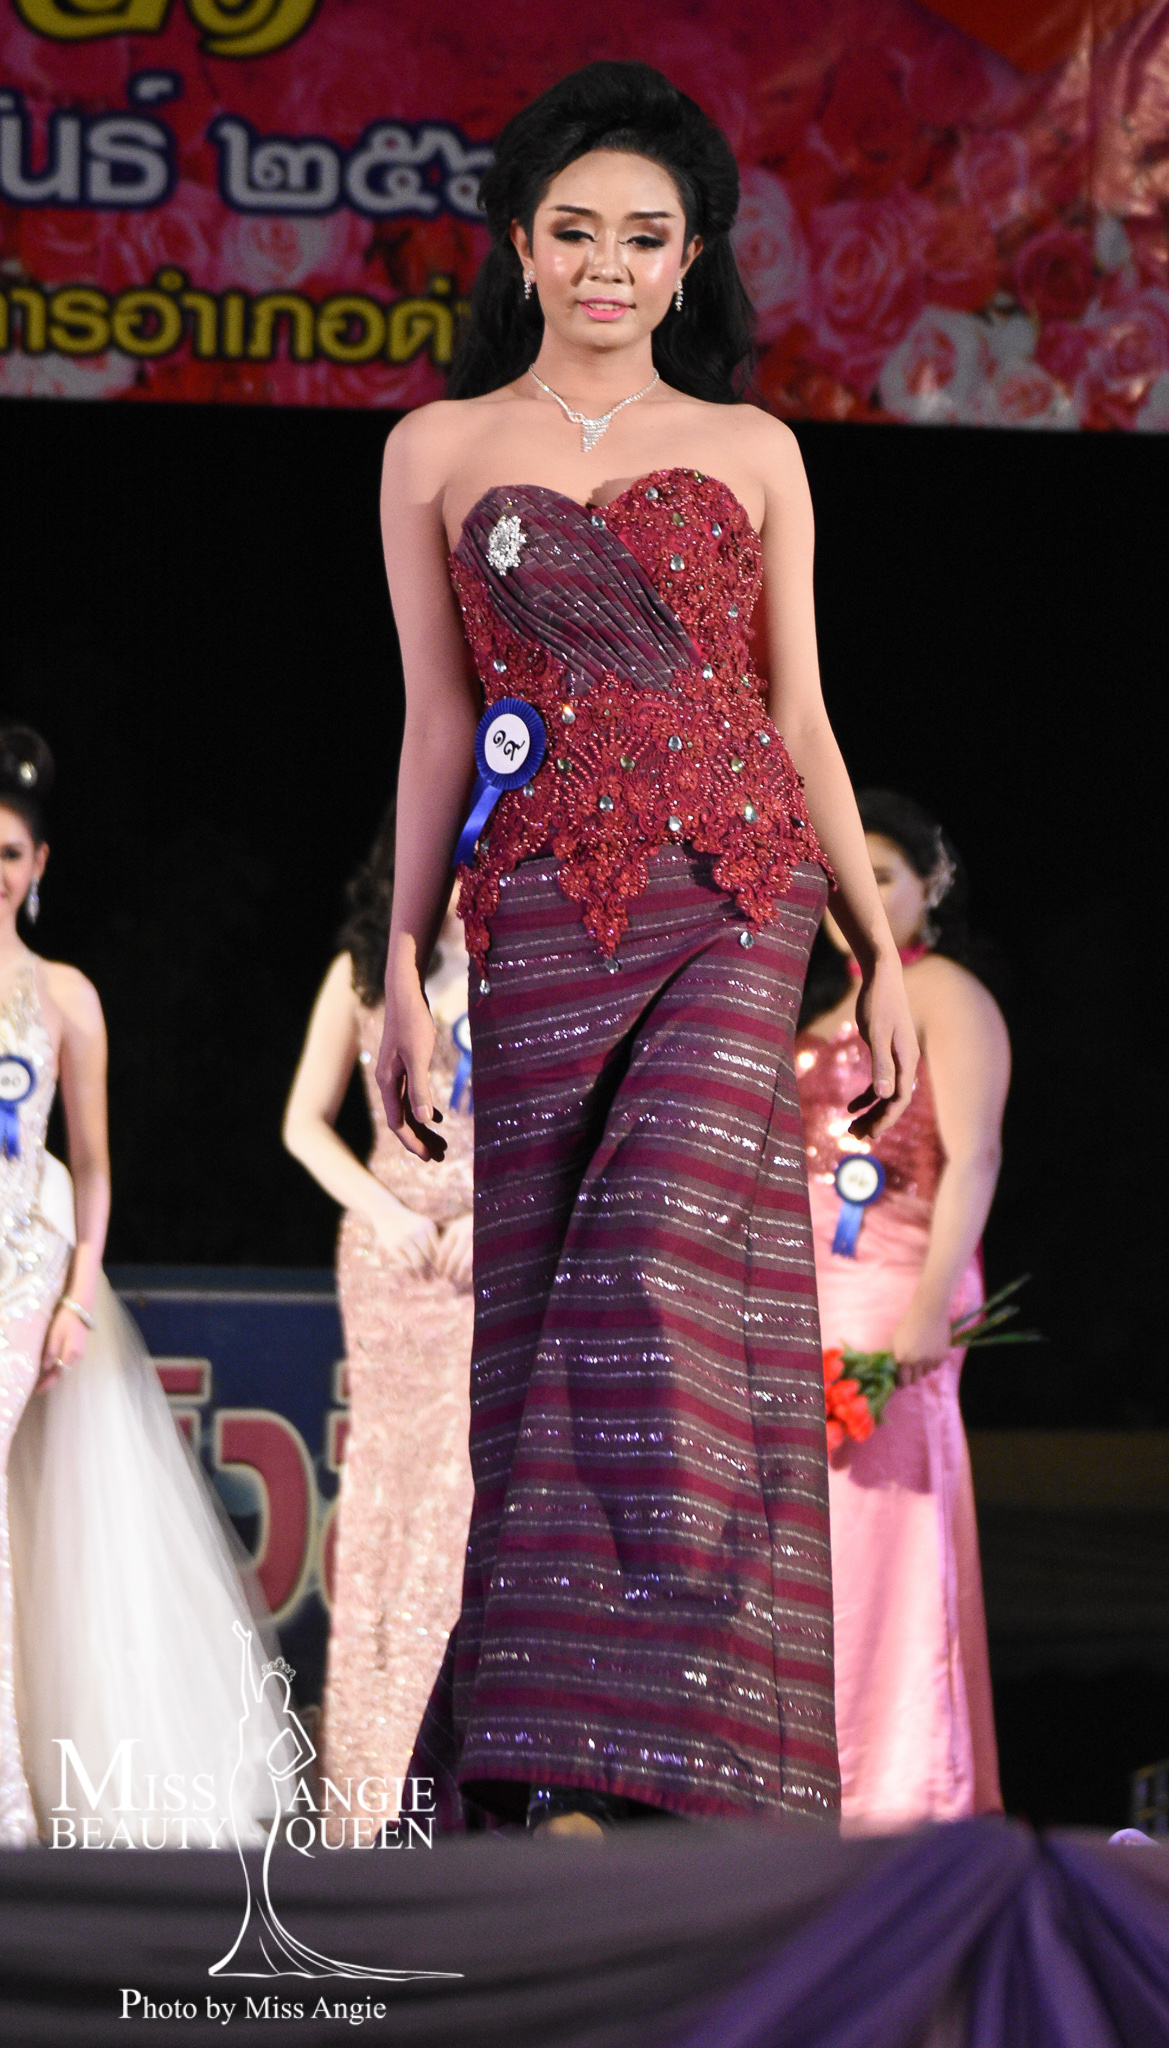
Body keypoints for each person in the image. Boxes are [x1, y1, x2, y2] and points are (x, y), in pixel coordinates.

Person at [376, 62, 918, 1833]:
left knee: (655, 1278)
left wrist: (876, 949)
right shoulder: (434, 451)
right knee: (545, 1305)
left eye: (644, 236)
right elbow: (434, 728)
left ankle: (649, 1743)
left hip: (736, 898)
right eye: (576, 231)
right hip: (535, 912)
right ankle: (562, 1755)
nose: (607, 264)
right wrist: (399, 961)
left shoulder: (755, 450)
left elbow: (802, 716)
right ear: (521, 245)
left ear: (689, 263)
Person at [0, 725, 284, 1848]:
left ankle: (11, 1801)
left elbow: (93, 1168)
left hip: (22, 1274)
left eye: (12, 853)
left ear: (40, 866)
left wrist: (77, 1295)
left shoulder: (67, 998)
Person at [796, 791, 1007, 1829]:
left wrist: (928, 1309)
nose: (862, 897)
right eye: (845, 878)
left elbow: (974, 1153)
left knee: (884, 1542)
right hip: (808, 1294)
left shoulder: (946, 993)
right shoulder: (823, 1013)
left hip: (893, 1293)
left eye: (881, 876)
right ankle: (819, 1784)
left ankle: (899, 1794)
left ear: (932, 886)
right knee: (822, 1555)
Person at [283, 805, 475, 1844]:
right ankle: (365, 1792)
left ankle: (439, 1787)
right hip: (389, 1262)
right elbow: (301, 1123)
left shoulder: (519, 975)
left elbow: (562, 1128)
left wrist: (492, 1217)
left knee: (455, 1511)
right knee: (381, 1510)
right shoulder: (362, 978)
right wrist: (387, 1211)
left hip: (484, 1264)